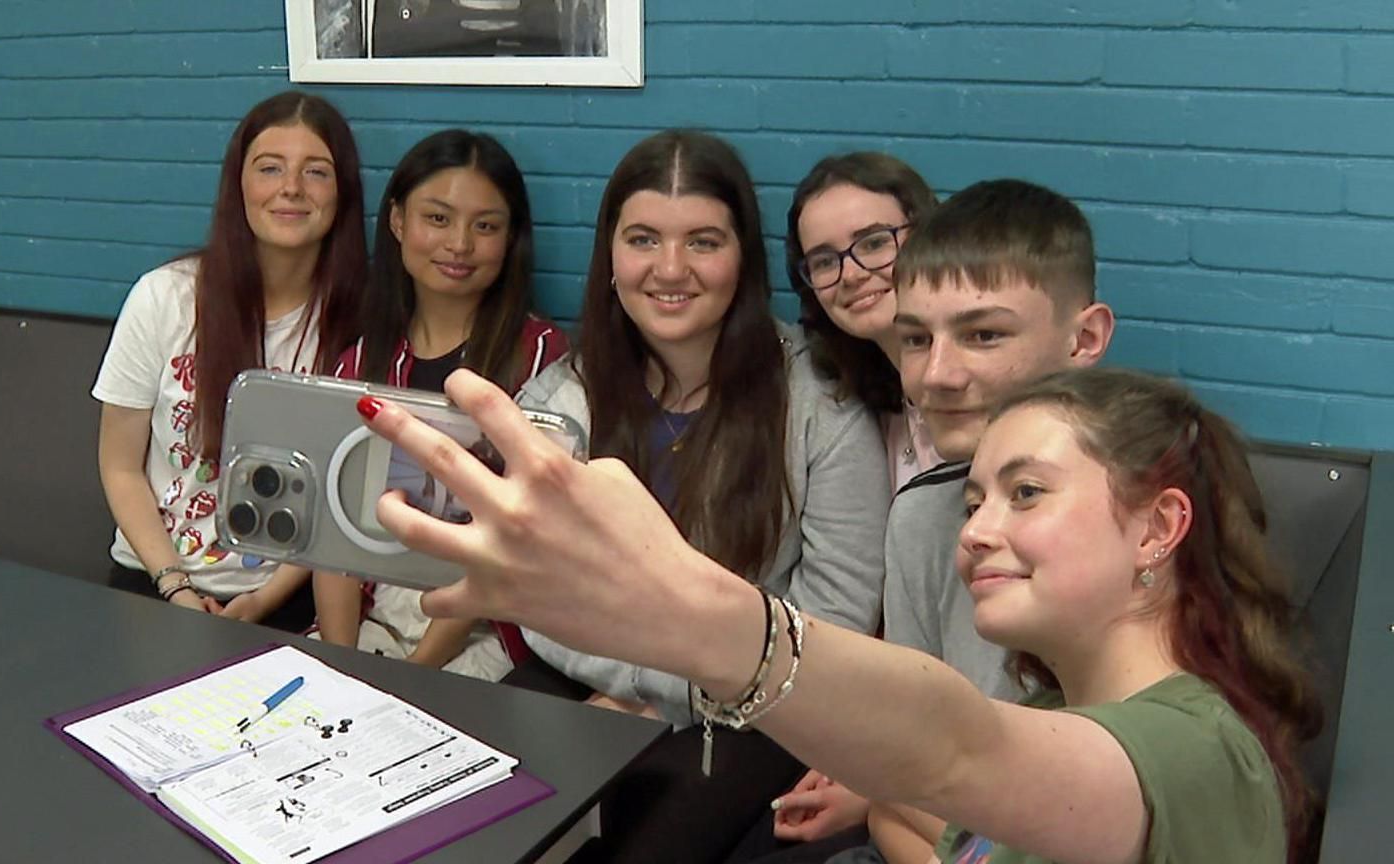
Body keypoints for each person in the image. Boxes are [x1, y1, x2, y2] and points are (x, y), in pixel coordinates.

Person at [353, 363, 1323, 864]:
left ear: (1160, 527)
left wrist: (691, 614)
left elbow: (957, 748)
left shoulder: (1202, 750)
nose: (977, 530)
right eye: (975, 499)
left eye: (1026, 493)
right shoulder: (1074, 729)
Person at [510, 129, 891, 862]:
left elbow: (832, 621)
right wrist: (636, 687)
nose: (671, 268)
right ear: (611, 257)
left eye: (704, 242)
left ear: (742, 256)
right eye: (644, 239)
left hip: (757, 710)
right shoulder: (562, 397)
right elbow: (531, 589)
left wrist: (663, 696)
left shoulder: (822, 405)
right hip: (580, 678)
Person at [750, 179, 1118, 864]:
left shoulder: (1135, 521)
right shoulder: (920, 515)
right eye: (916, 339)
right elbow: (901, 782)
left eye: (983, 334)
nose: (938, 374)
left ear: (1084, 338)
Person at [94, 90, 365, 631]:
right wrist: (176, 588)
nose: (291, 188)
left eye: (316, 172)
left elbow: (346, 496)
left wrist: (265, 599)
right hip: (155, 582)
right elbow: (120, 466)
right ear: (239, 183)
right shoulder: (163, 297)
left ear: (342, 193)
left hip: (290, 598)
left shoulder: (361, 320)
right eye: (270, 168)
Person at [312, 129, 566, 681]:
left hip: (483, 630)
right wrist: (341, 661)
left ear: (510, 239)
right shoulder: (359, 363)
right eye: (438, 218)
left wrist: (415, 673)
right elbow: (334, 537)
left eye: (486, 226)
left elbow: (509, 543)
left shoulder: (544, 360)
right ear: (399, 222)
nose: (460, 244)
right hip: (368, 618)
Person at [786, 152, 941, 492]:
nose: (852, 275)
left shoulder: (978, 396)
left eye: (874, 243)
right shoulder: (873, 409)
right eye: (825, 261)